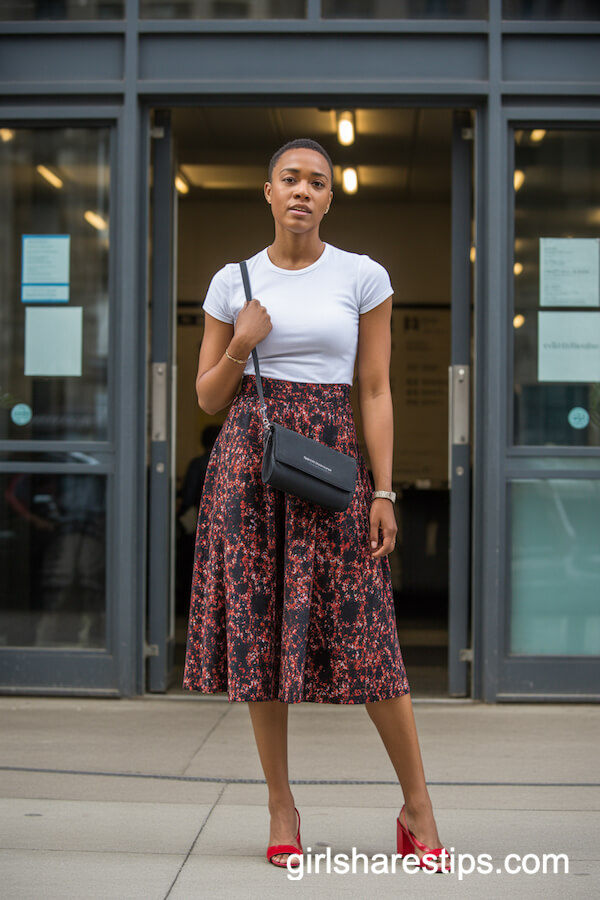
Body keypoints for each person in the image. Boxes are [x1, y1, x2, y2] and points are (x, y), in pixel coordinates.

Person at [183, 138, 448, 871]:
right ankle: (281, 805)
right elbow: (207, 396)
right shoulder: (231, 281)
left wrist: (385, 489)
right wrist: (240, 345)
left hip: (334, 473)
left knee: (371, 640)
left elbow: (374, 389)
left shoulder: (362, 276)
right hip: (249, 472)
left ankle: (418, 806)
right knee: (263, 641)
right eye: (289, 179)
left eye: (317, 182)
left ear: (332, 197)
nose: (303, 190)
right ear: (266, 192)